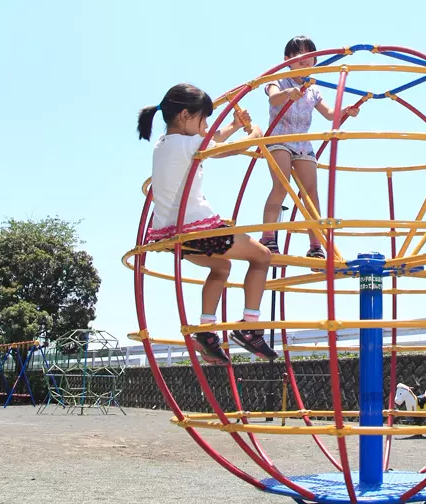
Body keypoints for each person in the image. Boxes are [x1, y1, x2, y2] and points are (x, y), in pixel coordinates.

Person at [137, 83, 277, 365]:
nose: (207, 126)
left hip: (172, 234)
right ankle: (250, 327)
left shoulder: (163, 144)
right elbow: (226, 149)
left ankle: (206, 331)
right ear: (186, 115)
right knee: (262, 257)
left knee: (222, 266)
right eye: (204, 119)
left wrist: (234, 125)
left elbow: (208, 139)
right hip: (198, 229)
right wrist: (254, 133)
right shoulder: (190, 143)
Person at [260, 35, 360, 258]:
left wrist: (346, 111)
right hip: (280, 139)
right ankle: (268, 237)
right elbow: (273, 99)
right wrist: (288, 94)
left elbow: (330, 114)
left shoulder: (314, 89)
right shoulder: (279, 80)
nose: (305, 60)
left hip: (303, 143)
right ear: (287, 60)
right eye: (299, 55)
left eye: (310, 55)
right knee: (281, 184)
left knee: (311, 193)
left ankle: (315, 245)